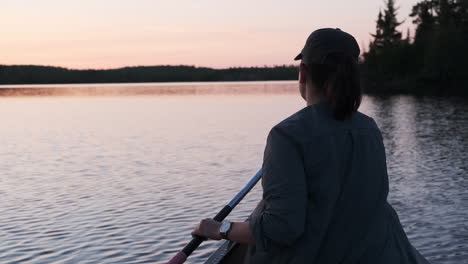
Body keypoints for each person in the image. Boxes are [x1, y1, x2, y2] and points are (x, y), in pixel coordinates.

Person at [192, 28, 430, 264]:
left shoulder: (286, 136)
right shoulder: (369, 129)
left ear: (303, 73)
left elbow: (281, 229)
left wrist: (219, 228)